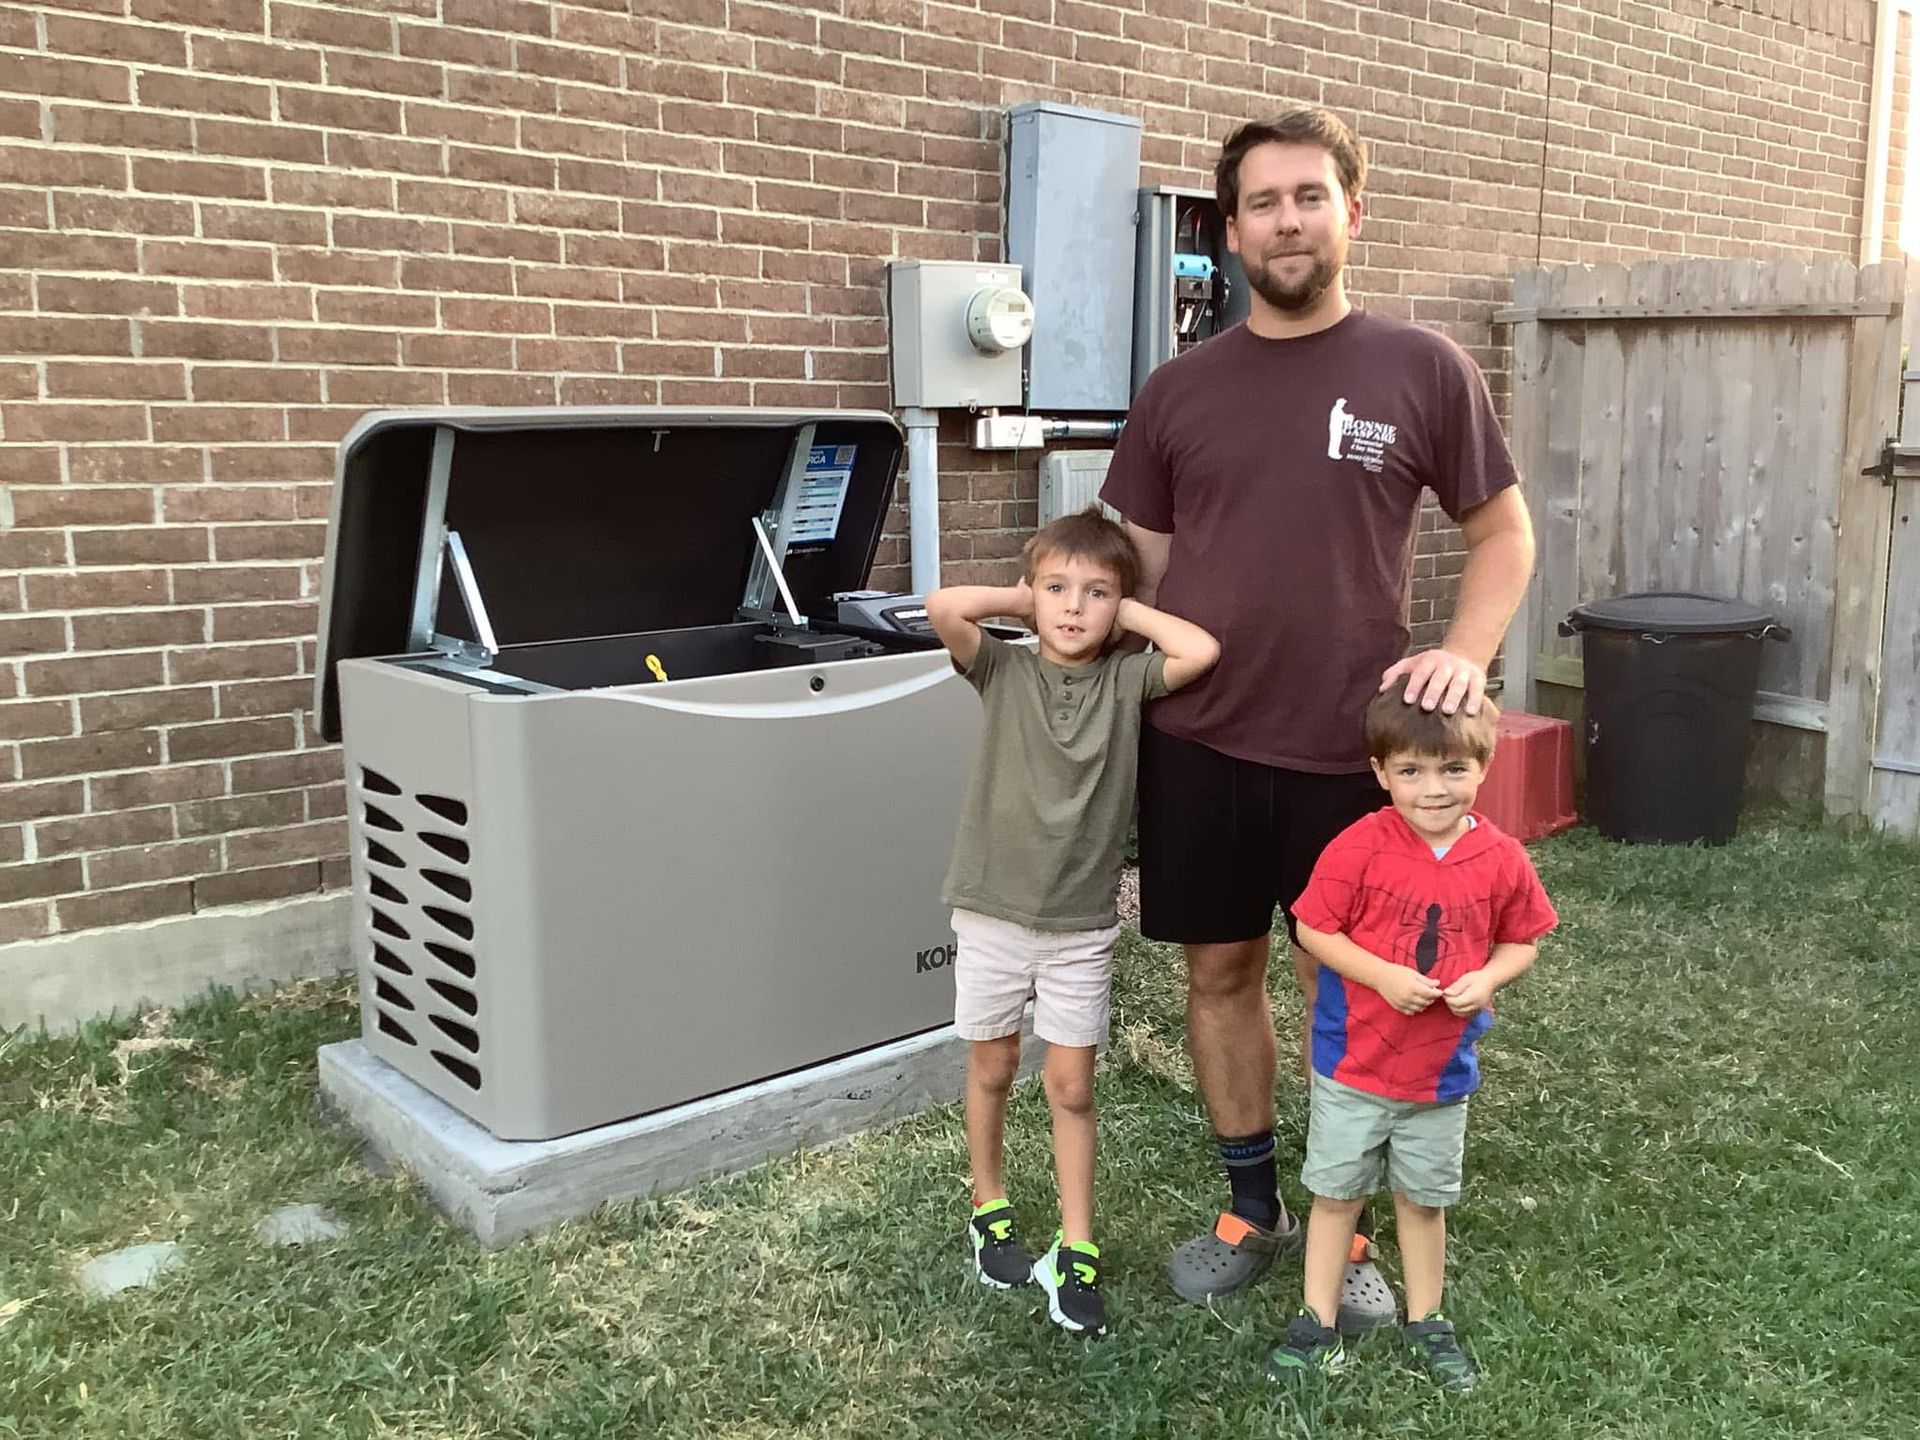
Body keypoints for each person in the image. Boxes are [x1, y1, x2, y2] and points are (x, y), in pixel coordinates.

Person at [1098, 103, 1538, 1329]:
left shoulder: (1422, 369)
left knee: (1347, 983)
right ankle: (1255, 1204)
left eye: (1308, 197)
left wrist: (1463, 652)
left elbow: (1502, 535)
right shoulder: (1177, 390)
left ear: (1353, 210)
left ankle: (1343, 1216)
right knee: (1220, 969)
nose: (1285, 221)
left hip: (1358, 756)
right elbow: (1132, 570)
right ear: (1228, 230)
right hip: (1196, 740)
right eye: (1261, 203)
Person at [927, 508, 1221, 1337]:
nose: (1073, 606)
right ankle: (988, 1204)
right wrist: (1025, 600)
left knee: (1071, 1086)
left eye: (1095, 594)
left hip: (1080, 927)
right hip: (991, 910)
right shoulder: (1003, 672)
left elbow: (1200, 652)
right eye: (1058, 589)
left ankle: (1077, 1244)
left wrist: (1123, 610)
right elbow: (945, 606)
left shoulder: (1128, 681)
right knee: (991, 1067)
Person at [1266, 692, 1556, 1389]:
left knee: (1423, 1202)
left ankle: (1428, 1321)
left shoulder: (1501, 858)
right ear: (1381, 771)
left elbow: (1523, 940)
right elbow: (1313, 929)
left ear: (1483, 767)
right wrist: (1384, 978)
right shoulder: (1360, 845)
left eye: (1453, 769)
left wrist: (1488, 977)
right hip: (1353, 1065)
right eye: (1412, 772)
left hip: (1439, 1074)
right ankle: (1317, 1322)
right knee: (1337, 1197)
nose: (1434, 789)